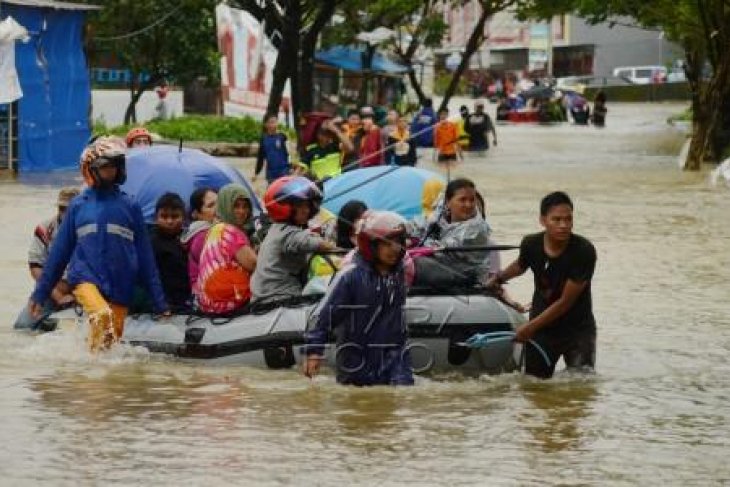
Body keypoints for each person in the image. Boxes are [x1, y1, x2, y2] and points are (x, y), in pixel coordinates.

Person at [28, 136, 169, 351]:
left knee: (109, 347)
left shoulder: (130, 206)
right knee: (103, 315)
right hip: (86, 280)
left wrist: (160, 304)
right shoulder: (77, 206)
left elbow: (145, 257)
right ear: (90, 169)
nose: (111, 171)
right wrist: (39, 294)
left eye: (115, 165)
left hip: (121, 286)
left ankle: (92, 378)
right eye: (105, 166)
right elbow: (59, 255)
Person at [485, 191, 597, 379]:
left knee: (580, 387)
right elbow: (521, 265)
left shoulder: (583, 251)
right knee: (534, 385)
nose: (564, 225)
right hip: (542, 331)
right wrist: (498, 278)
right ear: (543, 220)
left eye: (568, 219)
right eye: (557, 219)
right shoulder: (531, 243)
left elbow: (565, 302)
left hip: (577, 331)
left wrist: (529, 327)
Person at [302, 210, 414, 386]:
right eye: (387, 243)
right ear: (371, 245)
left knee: (401, 396)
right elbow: (321, 317)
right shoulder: (350, 276)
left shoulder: (399, 272)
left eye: (398, 242)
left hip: (395, 357)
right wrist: (314, 352)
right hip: (357, 361)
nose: (394, 248)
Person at [251, 176, 336, 302]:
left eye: (308, 206)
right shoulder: (288, 233)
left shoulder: (277, 228)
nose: (306, 211)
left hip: (265, 296)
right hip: (280, 298)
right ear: (284, 207)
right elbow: (317, 243)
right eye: (300, 206)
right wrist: (344, 250)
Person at [14, 187, 80, 329]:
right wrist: (58, 296)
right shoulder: (44, 229)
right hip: (49, 289)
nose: (65, 213)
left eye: (69, 209)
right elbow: (35, 267)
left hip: (82, 290)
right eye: (62, 208)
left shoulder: (88, 229)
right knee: (23, 326)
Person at [412, 178, 491, 288]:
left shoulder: (477, 228)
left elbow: (442, 250)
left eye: (472, 200)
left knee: (418, 262)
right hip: (444, 270)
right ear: (448, 203)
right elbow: (419, 226)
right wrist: (404, 234)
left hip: (467, 277)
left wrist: (414, 247)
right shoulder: (440, 216)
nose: (468, 205)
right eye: (462, 200)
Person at [196, 184, 258, 314]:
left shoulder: (214, 229)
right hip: (228, 302)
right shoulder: (231, 231)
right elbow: (253, 264)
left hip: (207, 303)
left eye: (245, 206)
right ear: (225, 206)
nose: (242, 211)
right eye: (236, 206)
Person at [149, 193, 191, 310]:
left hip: (188, 303)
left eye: (174, 216)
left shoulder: (189, 238)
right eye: (164, 216)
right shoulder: (151, 243)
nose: (169, 221)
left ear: (184, 218)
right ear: (156, 218)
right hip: (162, 305)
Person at [181, 188, 217, 296]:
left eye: (220, 203)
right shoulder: (202, 236)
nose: (218, 208)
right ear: (196, 214)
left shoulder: (214, 230)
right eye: (210, 206)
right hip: (207, 296)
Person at [254, 114, 290, 184]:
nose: (274, 124)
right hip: (271, 174)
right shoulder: (264, 139)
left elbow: (289, 153)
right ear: (266, 124)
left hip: (284, 172)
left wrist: (290, 167)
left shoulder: (282, 137)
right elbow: (260, 157)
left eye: (275, 122)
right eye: (272, 122)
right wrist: (256, 173)